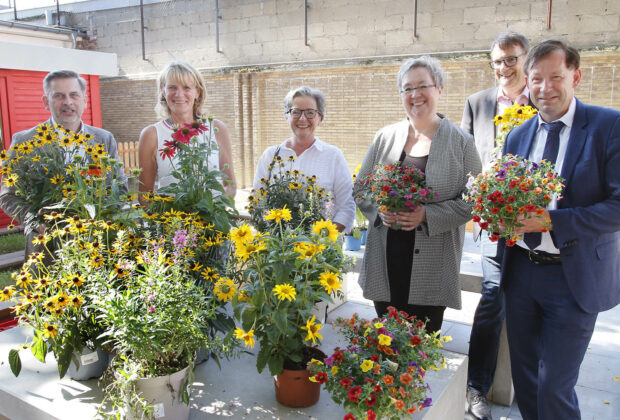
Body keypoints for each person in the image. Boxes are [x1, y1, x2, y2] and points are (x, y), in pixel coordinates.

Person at [502, 39, 620, 420]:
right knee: (527, 382)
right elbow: (508, 198)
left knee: (555, 386)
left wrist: (552, 221)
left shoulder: (608, 126)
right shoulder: (517, 136)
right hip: (520, 271)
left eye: (556, 77)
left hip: (573, 278)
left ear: (577, 76)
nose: (545, 88)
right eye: (536, 79)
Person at [353, 56, 481, 334]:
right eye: (407, 88)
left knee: (420, 347)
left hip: (433, 268)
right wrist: (379, 209)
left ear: (439, 89)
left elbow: (475, 200)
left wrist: (427, 214)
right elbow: (361, 188)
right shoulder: (384, 138)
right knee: (384, 346)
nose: (415, 94)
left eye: (423, 85)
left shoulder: (462, 142)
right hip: (386, 264)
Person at [460, 30, 531, 420]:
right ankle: (476, 388)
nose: (503, 68)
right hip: (492, 221)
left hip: (536, 222)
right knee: (493, 296)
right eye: (497, 61)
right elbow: (468, 157)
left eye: (511, 59)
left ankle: (534, 381)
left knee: (533, 299)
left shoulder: (543, 99)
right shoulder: (479, 103)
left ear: (526, 58)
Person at [0, 70, 127, 258]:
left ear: (84, 99)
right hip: (46, 250)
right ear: (46, 102)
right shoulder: (24, 142)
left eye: (74, 95)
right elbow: (8, 196)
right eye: (59, 96)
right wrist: (35, 221)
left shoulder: (103, 139)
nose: (68, 102)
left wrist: (99, 219)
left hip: (97, 245)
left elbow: (120, 188)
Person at [252, 86, 355, 233]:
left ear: (320, 118)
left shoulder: (333, 156)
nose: (302, 118)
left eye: (310, 113)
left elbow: (347, 207)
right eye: (296, 112)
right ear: (287, 116)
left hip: (321, 250)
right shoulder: (270, 156)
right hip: (278, 249)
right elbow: (257, 202)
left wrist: (322, 240)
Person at [138, 61, 236, 204]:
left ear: (198, 92)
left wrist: (210, 211)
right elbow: (144, 196)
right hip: (173, 223)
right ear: (163, 91)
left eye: (186, 87)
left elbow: (230, 186)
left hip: (212, 222)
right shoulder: (152, 135)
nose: (179, 94)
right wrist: (172, 220)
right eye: (172, 87)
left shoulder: (216, 129)